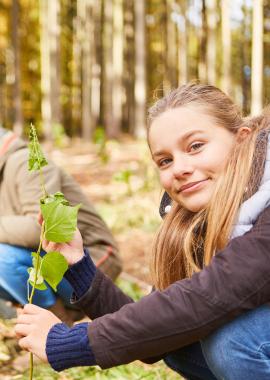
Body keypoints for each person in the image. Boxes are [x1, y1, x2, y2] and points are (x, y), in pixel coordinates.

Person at [15, 83, 270, 380]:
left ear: (242, 140)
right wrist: (79, 265)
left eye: (196, 146)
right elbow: (154, 339)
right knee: (173, 335)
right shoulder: (194, 224)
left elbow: (214, 293)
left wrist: (70, 343)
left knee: (232, 340)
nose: (180, 168)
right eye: (165, 160)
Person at [0, 127, 122, 323]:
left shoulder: (24, 161)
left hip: (90, 259)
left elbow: (41, 228)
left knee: (2, 257)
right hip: (50, 264)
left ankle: (56, 332)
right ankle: (29, 327)